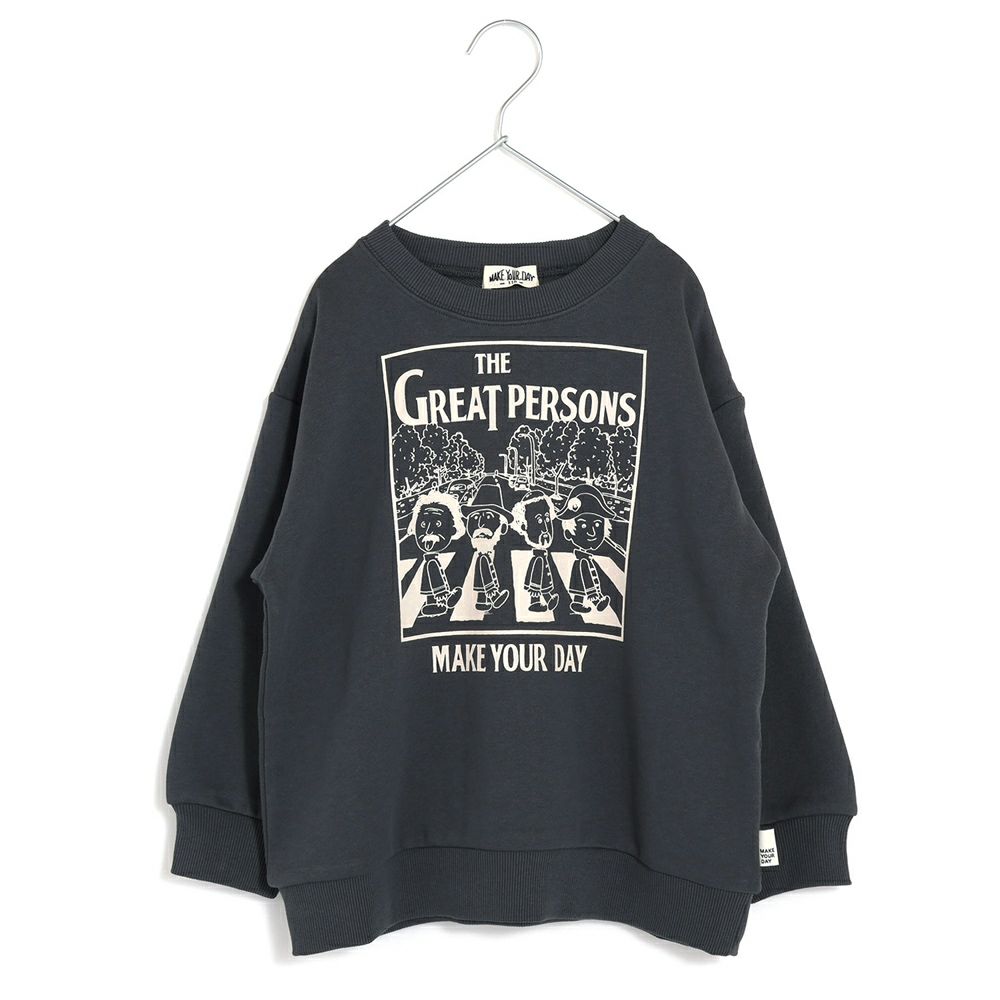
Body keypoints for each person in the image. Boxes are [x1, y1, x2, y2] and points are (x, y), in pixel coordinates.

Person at [555, 484, 618, 615]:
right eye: (583, 525)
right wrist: (595, 594)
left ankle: (577, 603)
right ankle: (597, 601)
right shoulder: (584, 561)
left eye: (597, 524)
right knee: (584, 579)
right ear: (568, 533)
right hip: (585, 568)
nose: (592, 532)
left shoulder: (583, 559)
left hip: (581, 560)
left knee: (579, 583)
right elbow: (589, 580)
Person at [407, 490, 464, 617]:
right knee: (433, 569)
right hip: (437, 586)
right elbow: (435, 576)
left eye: (438, 524)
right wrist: (441, 592)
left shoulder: (431, 560)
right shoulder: (432, 561)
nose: (428, 531)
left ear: (452, 530)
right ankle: (442, 599)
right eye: (423, 524)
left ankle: (433, 604)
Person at [462, 477, 511, 614]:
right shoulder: (484, 556)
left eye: (488, 517)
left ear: (502, 527)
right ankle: (492, 597)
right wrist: (492, 591)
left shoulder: (485, 553)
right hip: (489, 584)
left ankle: (482, 602)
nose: (480, 525)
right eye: (475, 517)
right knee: (484, 568)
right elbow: (486, 574)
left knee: (482, 576)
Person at [510, 488, 559, 612]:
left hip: (540, 579)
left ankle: (546, 599)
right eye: (539, 521)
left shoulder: (541, 556)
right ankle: (538, 602)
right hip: (536, 583)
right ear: (524, 526)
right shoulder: (539, 559)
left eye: (547, 519)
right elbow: (536, 576)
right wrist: (534, 586)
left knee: (543, 584)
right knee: (540, 585)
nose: (545, 528)